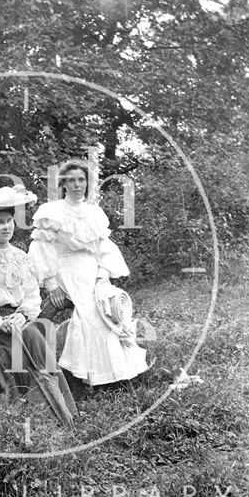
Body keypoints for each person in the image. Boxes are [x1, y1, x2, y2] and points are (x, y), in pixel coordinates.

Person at [0, 184, 77, 426]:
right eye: (0, 221)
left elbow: (32, 296)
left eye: (10, 221)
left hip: (19, 320)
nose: (6, 227)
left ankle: (58, 415)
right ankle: (8, 418)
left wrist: (22, 316)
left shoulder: (22, 258)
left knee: (35, 339)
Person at [28, 159, 148, 396]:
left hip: (93, 271)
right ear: (63, 183)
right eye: (71, 180)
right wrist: (52, 285)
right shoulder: (52, 212)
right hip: (66, 268)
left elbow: (105, 250)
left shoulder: (95, 213)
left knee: (110, 310)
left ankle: (116, 376)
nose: (76, 185)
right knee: (90, 316)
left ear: (88, 183)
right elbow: (41, 250)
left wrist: (102, 277)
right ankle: (83, 377)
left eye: (81, 180)